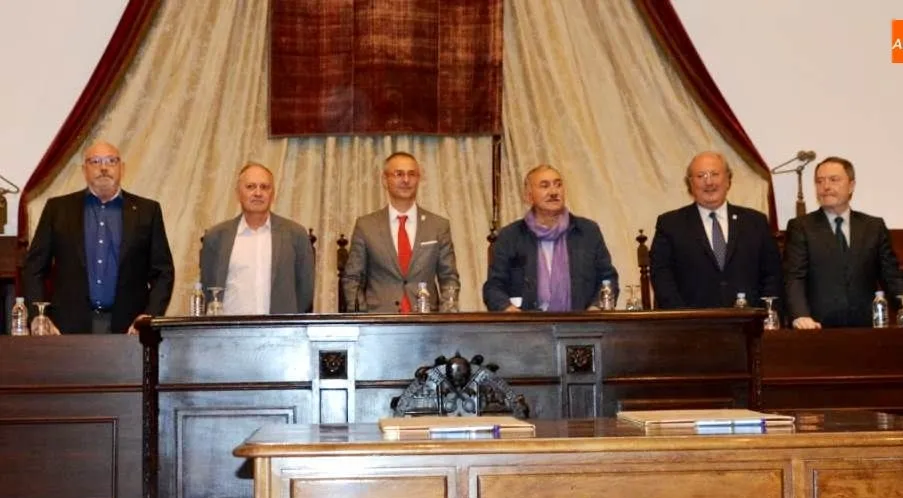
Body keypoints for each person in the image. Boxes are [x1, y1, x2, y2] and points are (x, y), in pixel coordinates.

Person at [22, 141, 175, 334]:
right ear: (84, 170)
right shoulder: (58, 209)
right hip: (66, 329)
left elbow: (163, 272)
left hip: (130, 330)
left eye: (111, 161)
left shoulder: (147, 211)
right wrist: (39, 316)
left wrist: (149, 318)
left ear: (122, 168)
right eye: (95, 161)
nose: (104, 168)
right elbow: (34, 268)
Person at [784, 156, 903, 328]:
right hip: (817, 328)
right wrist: (800, 316)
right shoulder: (801, 227)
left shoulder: (873, 227)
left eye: (834, 180)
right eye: (819, 181)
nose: (825, 186)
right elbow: (794, 277)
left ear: (851, 186)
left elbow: (891, 276)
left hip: (866, 328)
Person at [649, 151, 782, 309]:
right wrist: (683, 317)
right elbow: (662, 277)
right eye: (701, 176)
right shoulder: (670, 225)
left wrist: (765, 313)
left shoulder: (755, 222)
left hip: (749, 320)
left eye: (715, 174)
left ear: (728, 180)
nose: (709, 182)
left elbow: (772, 275)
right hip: (692, 320)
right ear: (690, 184)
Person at [483, 164, 619, 311]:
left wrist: (596, 308)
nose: (554, 192)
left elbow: (608, 279)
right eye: (545, 186)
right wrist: (508, 310)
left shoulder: (587, 232)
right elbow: (493, 287)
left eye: (558, 185)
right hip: (527, 323)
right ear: (528, 196)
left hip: (582, 322)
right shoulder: (510, 236)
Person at [342, 152, 459, 312]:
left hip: (426, 320)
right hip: (379, 321)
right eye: (399, 174)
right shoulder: (366, 226)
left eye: (412, 174)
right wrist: (364, 319)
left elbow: (449, 278)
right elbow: (352, 279)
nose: (406, 180)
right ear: (385, 180)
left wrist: (445, 318)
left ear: (418, 179)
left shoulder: (438, 226)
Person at [199, 162, 315, 314]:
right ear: (238, 193)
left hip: (279, 327)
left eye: (264, 187)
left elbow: (305, 292)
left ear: (272, 194)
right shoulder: (216, 237)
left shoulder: (295, 234)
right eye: (250, 187)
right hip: (229, 327)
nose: (258, 193)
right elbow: (208, 289)